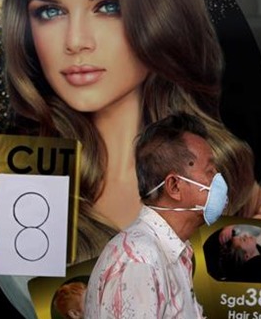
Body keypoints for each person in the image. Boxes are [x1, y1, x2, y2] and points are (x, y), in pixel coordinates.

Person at [1, 0, 261, 264]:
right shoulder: (18, 179)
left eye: (108, 7)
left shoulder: (228, 176)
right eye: (50, 12)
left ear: (162, 15)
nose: (76, 41)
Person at [85, 112, 221, 318]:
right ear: (174, 186)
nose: (219, 179)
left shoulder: (168, 253)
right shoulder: (140, 261)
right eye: (210, 171)